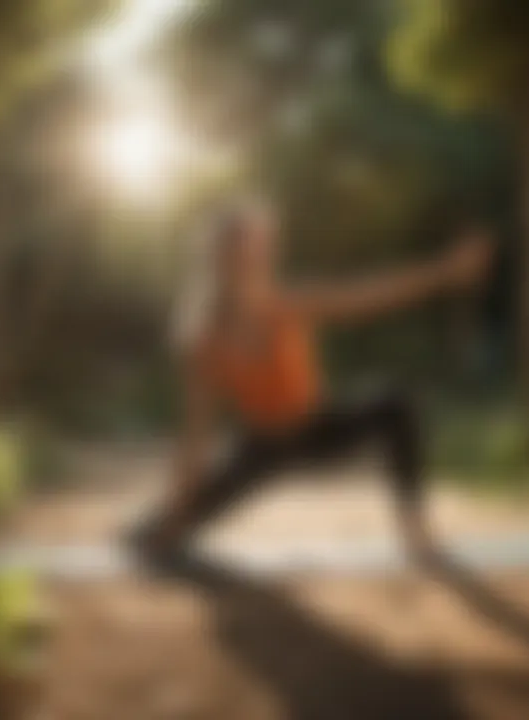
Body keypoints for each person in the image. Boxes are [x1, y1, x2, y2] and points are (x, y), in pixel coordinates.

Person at [128, 197, 493, 568]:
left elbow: (368, 295)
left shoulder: (286, 304)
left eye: (258, 251)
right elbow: (196, 437)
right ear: (220, 260)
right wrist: (175, 518)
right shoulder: (201, 338)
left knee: (396, 404)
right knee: (147, 538)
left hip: (316, 429)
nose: (253, 261)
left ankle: (416, 533)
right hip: (260, 447)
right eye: (241, 253)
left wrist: (444, 271)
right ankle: (157, 528)